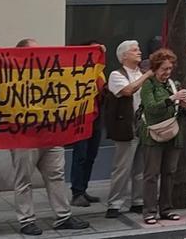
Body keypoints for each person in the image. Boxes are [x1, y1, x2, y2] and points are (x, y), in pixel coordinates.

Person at [10, 39, 92, 236]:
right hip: (24, 136)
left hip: (50, 134)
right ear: (22, 54)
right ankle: (26, 220)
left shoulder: (48, 72)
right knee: (24, 179)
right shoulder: (11, 76)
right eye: (35, 51)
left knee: (56, 175)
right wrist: (0, 64)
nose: (41, 54)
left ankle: (63, 216)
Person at [139, 48, 186, 225]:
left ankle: (166, 209)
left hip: (173, 133)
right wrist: (171, 98)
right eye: (163, 69)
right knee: (151, 174)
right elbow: (151, 108)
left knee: (169, 172)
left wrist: (184, 105)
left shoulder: (173, 83)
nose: (167, 72)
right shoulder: (149, 84)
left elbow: (180, 113)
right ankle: (149, 211)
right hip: (153, 134)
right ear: (155, 68)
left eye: (169, 68)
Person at [104, 40, 151, 219]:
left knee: (141, 167)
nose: (139, 52)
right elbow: (128, 90)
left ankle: (137, 201)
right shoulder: (117, 75)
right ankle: (114, 203)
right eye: (134, 50)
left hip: (143, 125)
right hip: (126, 127)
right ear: (124, 56)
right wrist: (148, 75)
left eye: (139, 49)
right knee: (122, 167)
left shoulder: (141, 72)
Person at [68, 39, 103, 209]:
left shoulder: (100, 72)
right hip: (81, 120)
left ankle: (83, 188)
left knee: (90, 156)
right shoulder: (77, 71)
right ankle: (77, 192)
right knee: (80, 155)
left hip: (95, 119)